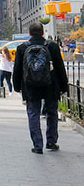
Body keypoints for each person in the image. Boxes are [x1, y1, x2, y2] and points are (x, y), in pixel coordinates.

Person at [13, 22, 68, 154]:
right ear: (43, 32)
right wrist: (63, 86)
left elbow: (18, 69)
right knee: (52, 113)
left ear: (30, 33)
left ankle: (37, 145)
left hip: (30, 86)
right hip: (51, 85)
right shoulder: (53, 46)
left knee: (33, 113)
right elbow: (60, 67)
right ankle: (51, 141)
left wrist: (17, 86)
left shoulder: (22, 48)